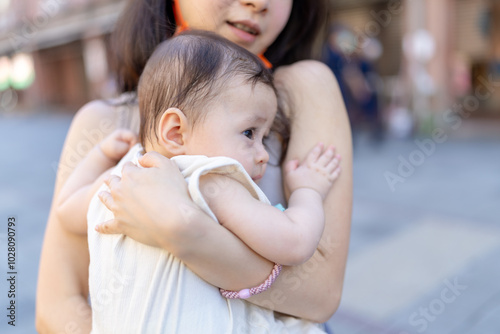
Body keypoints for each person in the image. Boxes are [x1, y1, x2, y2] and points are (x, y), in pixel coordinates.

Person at [36, 0, 353, 332]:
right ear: (174, 131)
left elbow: (321, 295)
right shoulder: (107, 124)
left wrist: (183, 231)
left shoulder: (303, 87)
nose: (259, 3)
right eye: (248, 133)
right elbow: (55, 310)